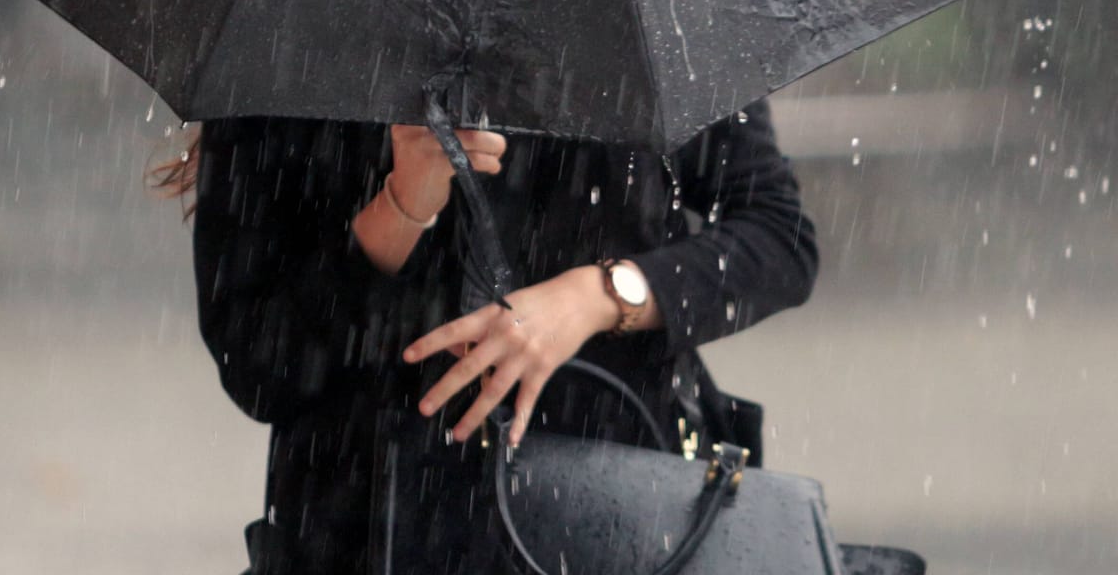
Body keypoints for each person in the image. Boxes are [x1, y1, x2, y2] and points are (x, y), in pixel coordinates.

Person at [150, 100, 818, 574]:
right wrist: (402, 207)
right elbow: (260, 364)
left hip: (625, 510)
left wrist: (597, 296)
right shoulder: (302, 30)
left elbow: (777, 238)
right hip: (362, 523)